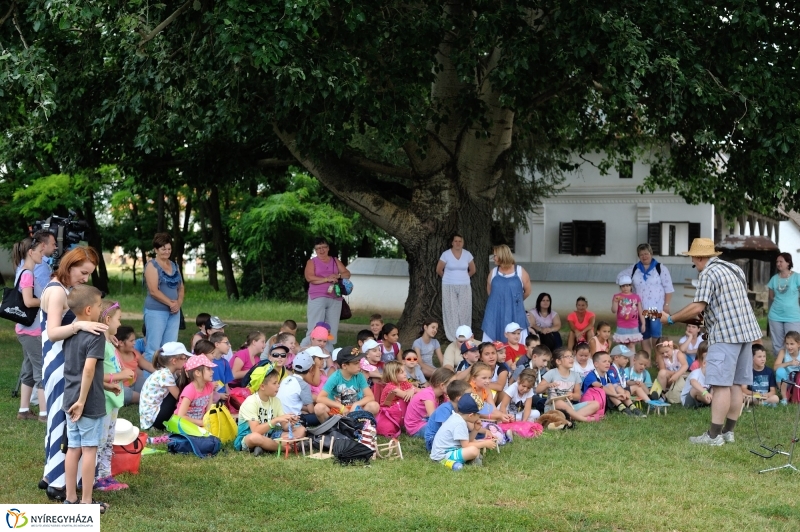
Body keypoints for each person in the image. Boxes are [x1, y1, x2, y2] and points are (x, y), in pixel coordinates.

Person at [661, 237, 762, 445]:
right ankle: (728, 432)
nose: (694, 266)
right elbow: (726, 303)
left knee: (721, 385)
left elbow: (698, 306)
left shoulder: (707, 273)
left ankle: (714, 436)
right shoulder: (735, 269)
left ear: (699, 257)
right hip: (746, 332)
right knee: (736, 385)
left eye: (693, 261)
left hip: (725, 334)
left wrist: (671, 318)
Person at [40, 246, 102, 501]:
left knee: (65, 427)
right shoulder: (56, 291)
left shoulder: (63, 290)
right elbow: (53, 332)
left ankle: (55, 478)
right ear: (70, 265)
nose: (85, 278)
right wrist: (79, 325)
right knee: (61, 425)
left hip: (66, 364)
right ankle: (57, 482)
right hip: (58, 365)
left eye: (89, 274)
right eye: (83, 272)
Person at [61, 284, 109, 513]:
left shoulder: (71, 331)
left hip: (69, 397)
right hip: (86, 401)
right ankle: (87, 502)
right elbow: (88, 370)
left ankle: (70, 498)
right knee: (89, 450)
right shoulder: (96, 334)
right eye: (100, 305)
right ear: (89, 309)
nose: (101, 309)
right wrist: (82, 401)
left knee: (73, 448)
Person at [95, 299, 131, 492]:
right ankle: (97, 479)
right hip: (105, 399)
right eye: (118, 319)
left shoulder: (109, 341)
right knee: (101, 441)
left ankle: (105, 476)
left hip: (113, 399)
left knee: (109, 440)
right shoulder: (100, 343)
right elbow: (95, 374)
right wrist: (120, 376)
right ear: (107, 320)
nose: (120, 323)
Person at [234, 364, 304, 456]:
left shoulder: (276, 401)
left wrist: (290, 422)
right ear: (262, 386)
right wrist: (275, 420)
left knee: (301, 430)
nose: (278, 386)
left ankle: (265, 447)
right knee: (255, 438)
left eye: (278, 382)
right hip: (248, 437)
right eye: (275, 383)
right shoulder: (251, 402)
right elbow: (255, 431)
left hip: (270, 435)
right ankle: (285, 448)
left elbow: (285, 427)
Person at [12, 237, 46, 421]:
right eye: (40, 252)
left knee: (28, 370)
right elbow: (28, 301)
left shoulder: (23, 271)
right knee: (41, 370)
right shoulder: (27, 274)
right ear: (31, 253)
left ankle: (23, 411)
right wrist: (48, 301)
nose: (43, 255)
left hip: (27, 330)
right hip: (32, 331)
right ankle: (44, 414)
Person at [622, 243, 675, 355]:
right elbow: (624, 283)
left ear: (651, 253)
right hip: (640, 308)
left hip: (656, 307)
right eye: (641, 254)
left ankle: (658, 357)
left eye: (646, 253)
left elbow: (668, 288)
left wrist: (666, 305)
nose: (644, 256)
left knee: (656, 333)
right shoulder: (634, 268)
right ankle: (647, 360)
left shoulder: (660, 268)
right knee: (644, 334)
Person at [143, 233, 184, 364]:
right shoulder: (152, 265)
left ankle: (167, 378)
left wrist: (178, 303)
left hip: (174, 312)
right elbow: (154, 291)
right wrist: (170, 303)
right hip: (156, 311)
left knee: (170, 347)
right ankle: (150, 379)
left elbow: (181, 287)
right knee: (154, 347)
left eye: (169, 249)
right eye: (163, 249)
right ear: (156, 249)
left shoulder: (174, 265)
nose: (167, 252)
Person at [303, 237, 350, 351]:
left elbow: (347, 273)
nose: (321, 250)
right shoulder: (312, 262)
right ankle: (307, 351)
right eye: (318, 248)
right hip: (317, 296)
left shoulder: (334, 260)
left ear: (328, 248)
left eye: (324, 247)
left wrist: (338, 276)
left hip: (335, 297)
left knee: (332, 327)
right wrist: (327, 279)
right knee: (315, 325)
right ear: (315, 250)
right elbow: (309, 277)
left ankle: (329, 353)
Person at [429, 393, 497, 467]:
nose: (479, 417)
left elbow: (467, 440)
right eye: (478, 414)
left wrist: (475, 430)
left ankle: (472, 459)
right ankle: (445, 462)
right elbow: (466, 445)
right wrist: (484, 444)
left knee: (475, 443)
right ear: (471, 415)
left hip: (449, 449)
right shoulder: (459, 423)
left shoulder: (458, 418)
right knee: (473, 450)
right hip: (442, 455)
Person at [536, 347, 601, 423]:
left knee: (595, 404)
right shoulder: (551, 373)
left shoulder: (575, 375)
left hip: (570, 407)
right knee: (559, 402)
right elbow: (537, 390)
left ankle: (570, 417)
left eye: (571, 356)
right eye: (567, 357)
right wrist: (547, 385)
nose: (571, 359)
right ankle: (584, 419)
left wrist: (572, 395)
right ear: (558, 361)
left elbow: (578, 396)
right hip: (553, 408)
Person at [314, 346, 380, 419]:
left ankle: (364, 426)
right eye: (356, 363)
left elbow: (370, 396)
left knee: (374, 406)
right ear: (344, 366)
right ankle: (331, 429)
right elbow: (320, 398)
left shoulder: (359, 376)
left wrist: (356, 404)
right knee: (319, 408)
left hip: (355, 410)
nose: (359, 366)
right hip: (337, 411)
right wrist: (340, 406)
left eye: (359, 362)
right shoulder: (335, 377)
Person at [482, 244, 530, 342]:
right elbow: (490, 292)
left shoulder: (520, 271)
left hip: (515, 311)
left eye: (495, 255)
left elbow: (528, 291)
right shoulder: (493, 272)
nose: (493, 258)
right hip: (495, 312)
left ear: (502, 255)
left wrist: (515, 301)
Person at [138, 342, 191, 430]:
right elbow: (179, 396)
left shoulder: (166, 372)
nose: (186, 361)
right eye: (184, 358)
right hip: (154, 420)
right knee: (180, 395)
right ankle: (185, 415)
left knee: (180, 384)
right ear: (174, 361)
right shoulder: (165, 375)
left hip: (151, 416)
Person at [437, 233, 476, 341]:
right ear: (452, 242)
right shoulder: (446, 254)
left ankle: (465, 334)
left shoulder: (467, 254)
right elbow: (439, 270)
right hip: (448, 285)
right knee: (451, 310)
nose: (458, 243)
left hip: (464, 285)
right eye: (456, 241)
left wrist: (464, 277)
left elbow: (472, 270)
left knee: (464, 310)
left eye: (460, 241)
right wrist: (449, 278)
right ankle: (453, 337)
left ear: (463, 243)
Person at [404, 368, 455, 438]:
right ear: (442, 385)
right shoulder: (428, 394)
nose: (455, 387)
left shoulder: (442, 395)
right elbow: (434, 417)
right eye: (452, 384)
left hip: (427, 422)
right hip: (416, 427)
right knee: (444, 432)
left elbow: (452, 410)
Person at [114, 325, 156, 405]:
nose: (134, 343)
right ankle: (145, 399)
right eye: (131, 341)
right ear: (121, 343)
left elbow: (148, 366)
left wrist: (165, 373)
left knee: (151, 386)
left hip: (135, 382)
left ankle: (145, 398)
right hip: (121, 387)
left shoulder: (134, 353)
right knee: (124, 394)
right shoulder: (113, 354)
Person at [768, 252, 800, 355]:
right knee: (778, 344)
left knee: (793, 343)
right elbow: (771, 296)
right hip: (775, 315)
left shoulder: (797, 277)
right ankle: (780, 368)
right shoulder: (774, 279)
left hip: (793, 316)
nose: (778, 264)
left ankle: (794, 368)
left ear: (788, 263)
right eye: (777, 261)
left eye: (781, 261)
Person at [424, 380, 470, 451]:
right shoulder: (445, 408)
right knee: (465, 444)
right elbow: (444, 429)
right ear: (459, 398)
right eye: (469, 396)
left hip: (445, 438)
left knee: (466, 442)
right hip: (433, 441)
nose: (471, 398)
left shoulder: (458, 408)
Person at [276, 350, 318, 426]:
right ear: (311, 368)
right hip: (291, 420)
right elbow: (311, 410)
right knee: (319, 416)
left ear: (293, 366)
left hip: (278, 418)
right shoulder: (303, 385)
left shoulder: (285, 379)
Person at [174, 354, 217, 427]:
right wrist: (201, 423)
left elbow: (208, 411)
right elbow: (181, 416)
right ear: (197, 373)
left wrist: (208, 421)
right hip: (183, 424)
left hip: (199, 424)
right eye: (208, 369)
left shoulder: (210, 386)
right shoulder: (189, 390)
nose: (212, 372)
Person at [376, 361, 416, 438]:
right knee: (388, 427)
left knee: (404, 401)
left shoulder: (403, 383)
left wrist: (412, 389)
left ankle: (404, 424)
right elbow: (406, 396)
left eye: (404, 371)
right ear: (393, 375)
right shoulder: (390, 387)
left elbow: (416, 391)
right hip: (389, 414)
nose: (405, 374)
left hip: (399, 412)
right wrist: (411, 390)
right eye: (402, 372)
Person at [611, 276, 644, 348]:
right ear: (620, 287)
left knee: (631, 345)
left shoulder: (636, 297)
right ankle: (622, 359)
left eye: (627, 286)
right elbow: (614, 310)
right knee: (622, 346)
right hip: (621, 325)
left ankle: (632, 359)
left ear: (631, 286)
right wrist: (615, 302)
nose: (625, 288)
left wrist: (643, 323)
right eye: (623, 286)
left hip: (633, 325)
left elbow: (640, 311)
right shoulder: (617, 296)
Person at [773, 330, 800, 404]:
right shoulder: (783, 352)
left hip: (798, 382)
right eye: (787, 344)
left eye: (792, 344)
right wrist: (789, 363)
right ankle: (784, 398)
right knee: (780, 371)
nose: (789, 346)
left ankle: (795, 396)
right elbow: (775, 367)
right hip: (786, 382)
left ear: (798, 344)